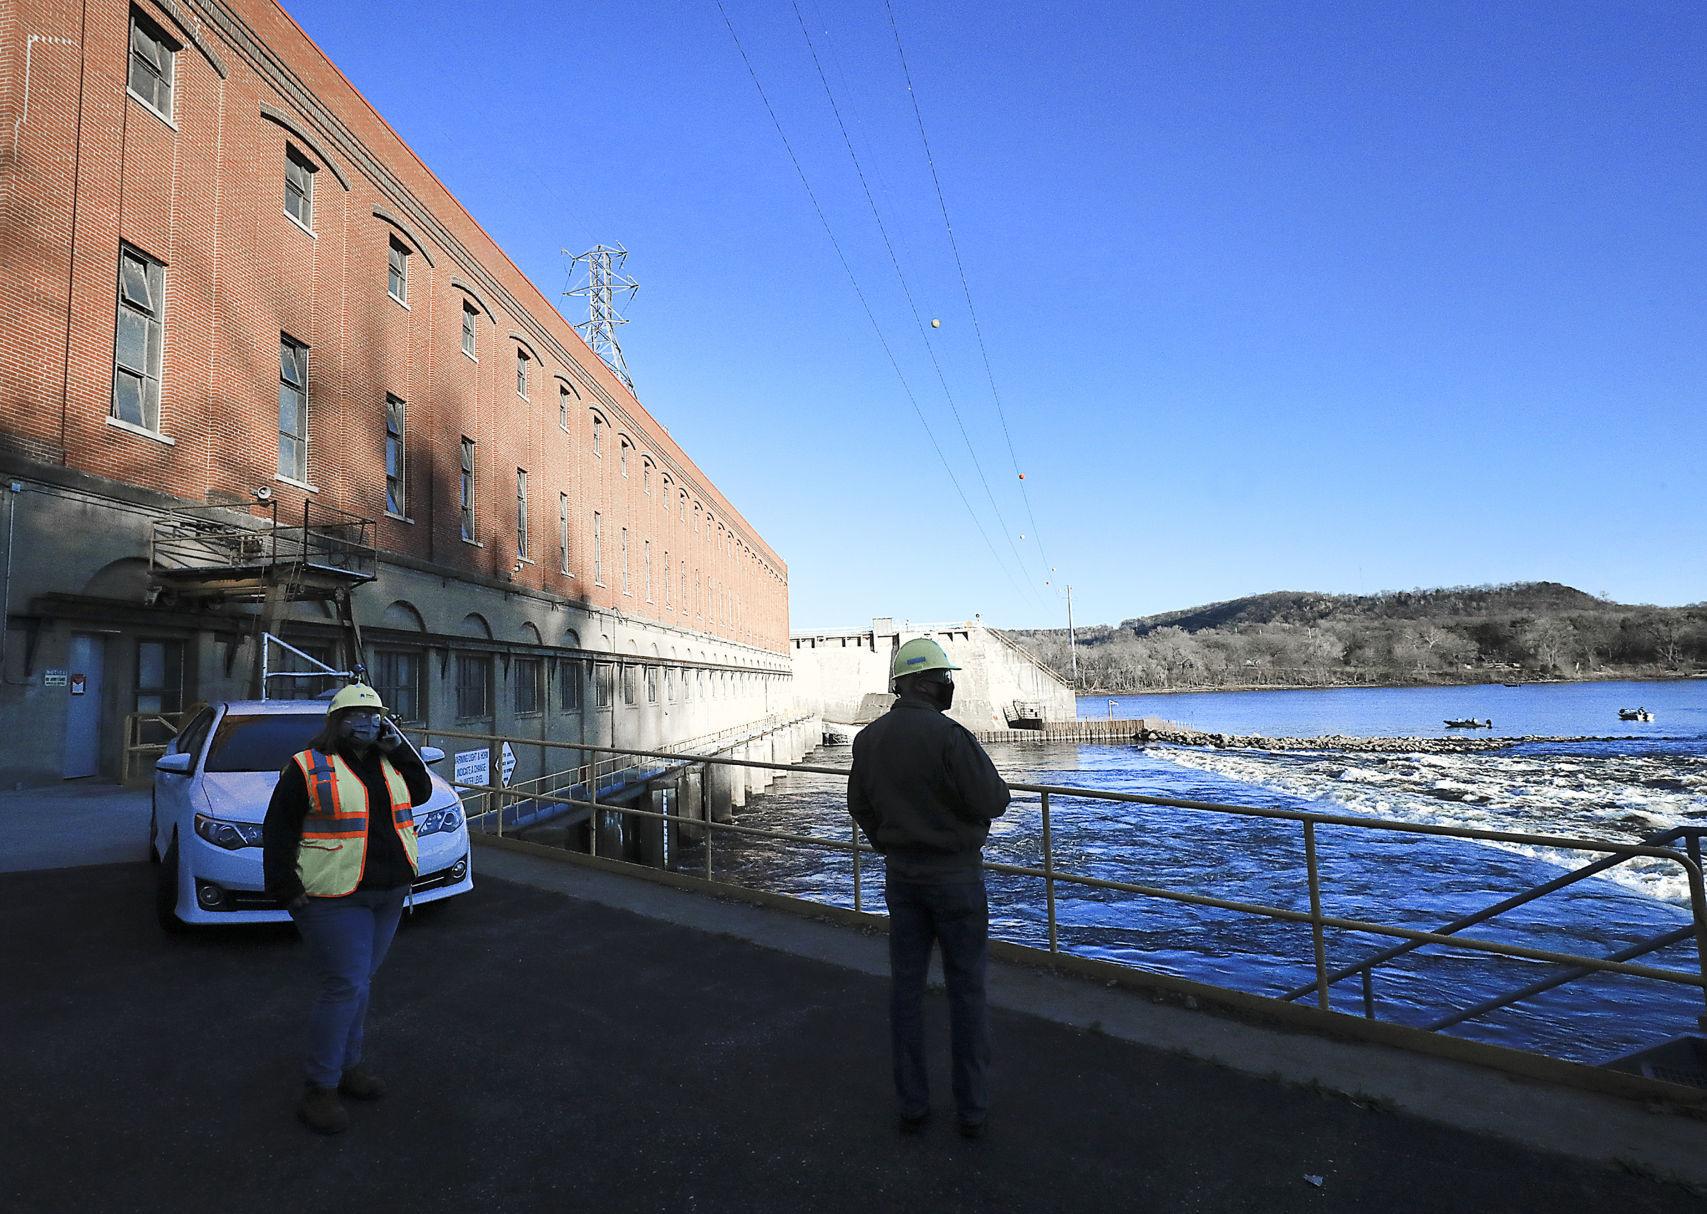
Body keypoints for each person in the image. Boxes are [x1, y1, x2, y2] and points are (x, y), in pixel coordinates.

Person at [848, 637, 1010, 1139]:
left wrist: (888, 844)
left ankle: (913, 1105)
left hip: (902, 878)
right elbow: (995, 799)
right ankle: (972, 1110)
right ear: (922, 682)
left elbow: (861, 807)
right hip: (956, 878)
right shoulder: (951, 738)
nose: (950, 684)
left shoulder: (869, 739)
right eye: (944, 677)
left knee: (907, 993)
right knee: (966, 992)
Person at [262, 682, 432, 1135]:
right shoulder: (308, 766)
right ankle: (320, 1088)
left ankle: (348, 1067)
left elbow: (422, 792)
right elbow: (278, 830)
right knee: (344, 985)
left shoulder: (388, 761)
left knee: (360, 984)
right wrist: (285, 888)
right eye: (357, 715)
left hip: (388, 893)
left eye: (375, 715)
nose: (367, 723)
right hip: (334, 896)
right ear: (336, 721)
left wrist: (401, 748)